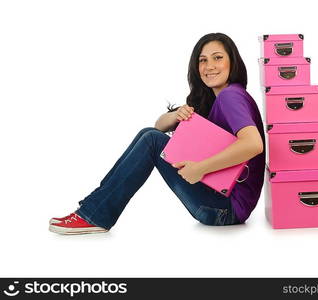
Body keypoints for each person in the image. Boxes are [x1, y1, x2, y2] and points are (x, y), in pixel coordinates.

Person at [49, 33, 266, 235]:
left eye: (217, 58)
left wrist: (200, 168)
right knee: (150, 133)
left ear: (232, 62)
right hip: (222, 204)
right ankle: (94, 208)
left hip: (225, 209)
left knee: (152, 139)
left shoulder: (230, 97)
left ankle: (94, 214)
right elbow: (158, 126)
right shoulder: (217, 100)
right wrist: (176, 115)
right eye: (203, 60)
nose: (209, 66)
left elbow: (253, 144)